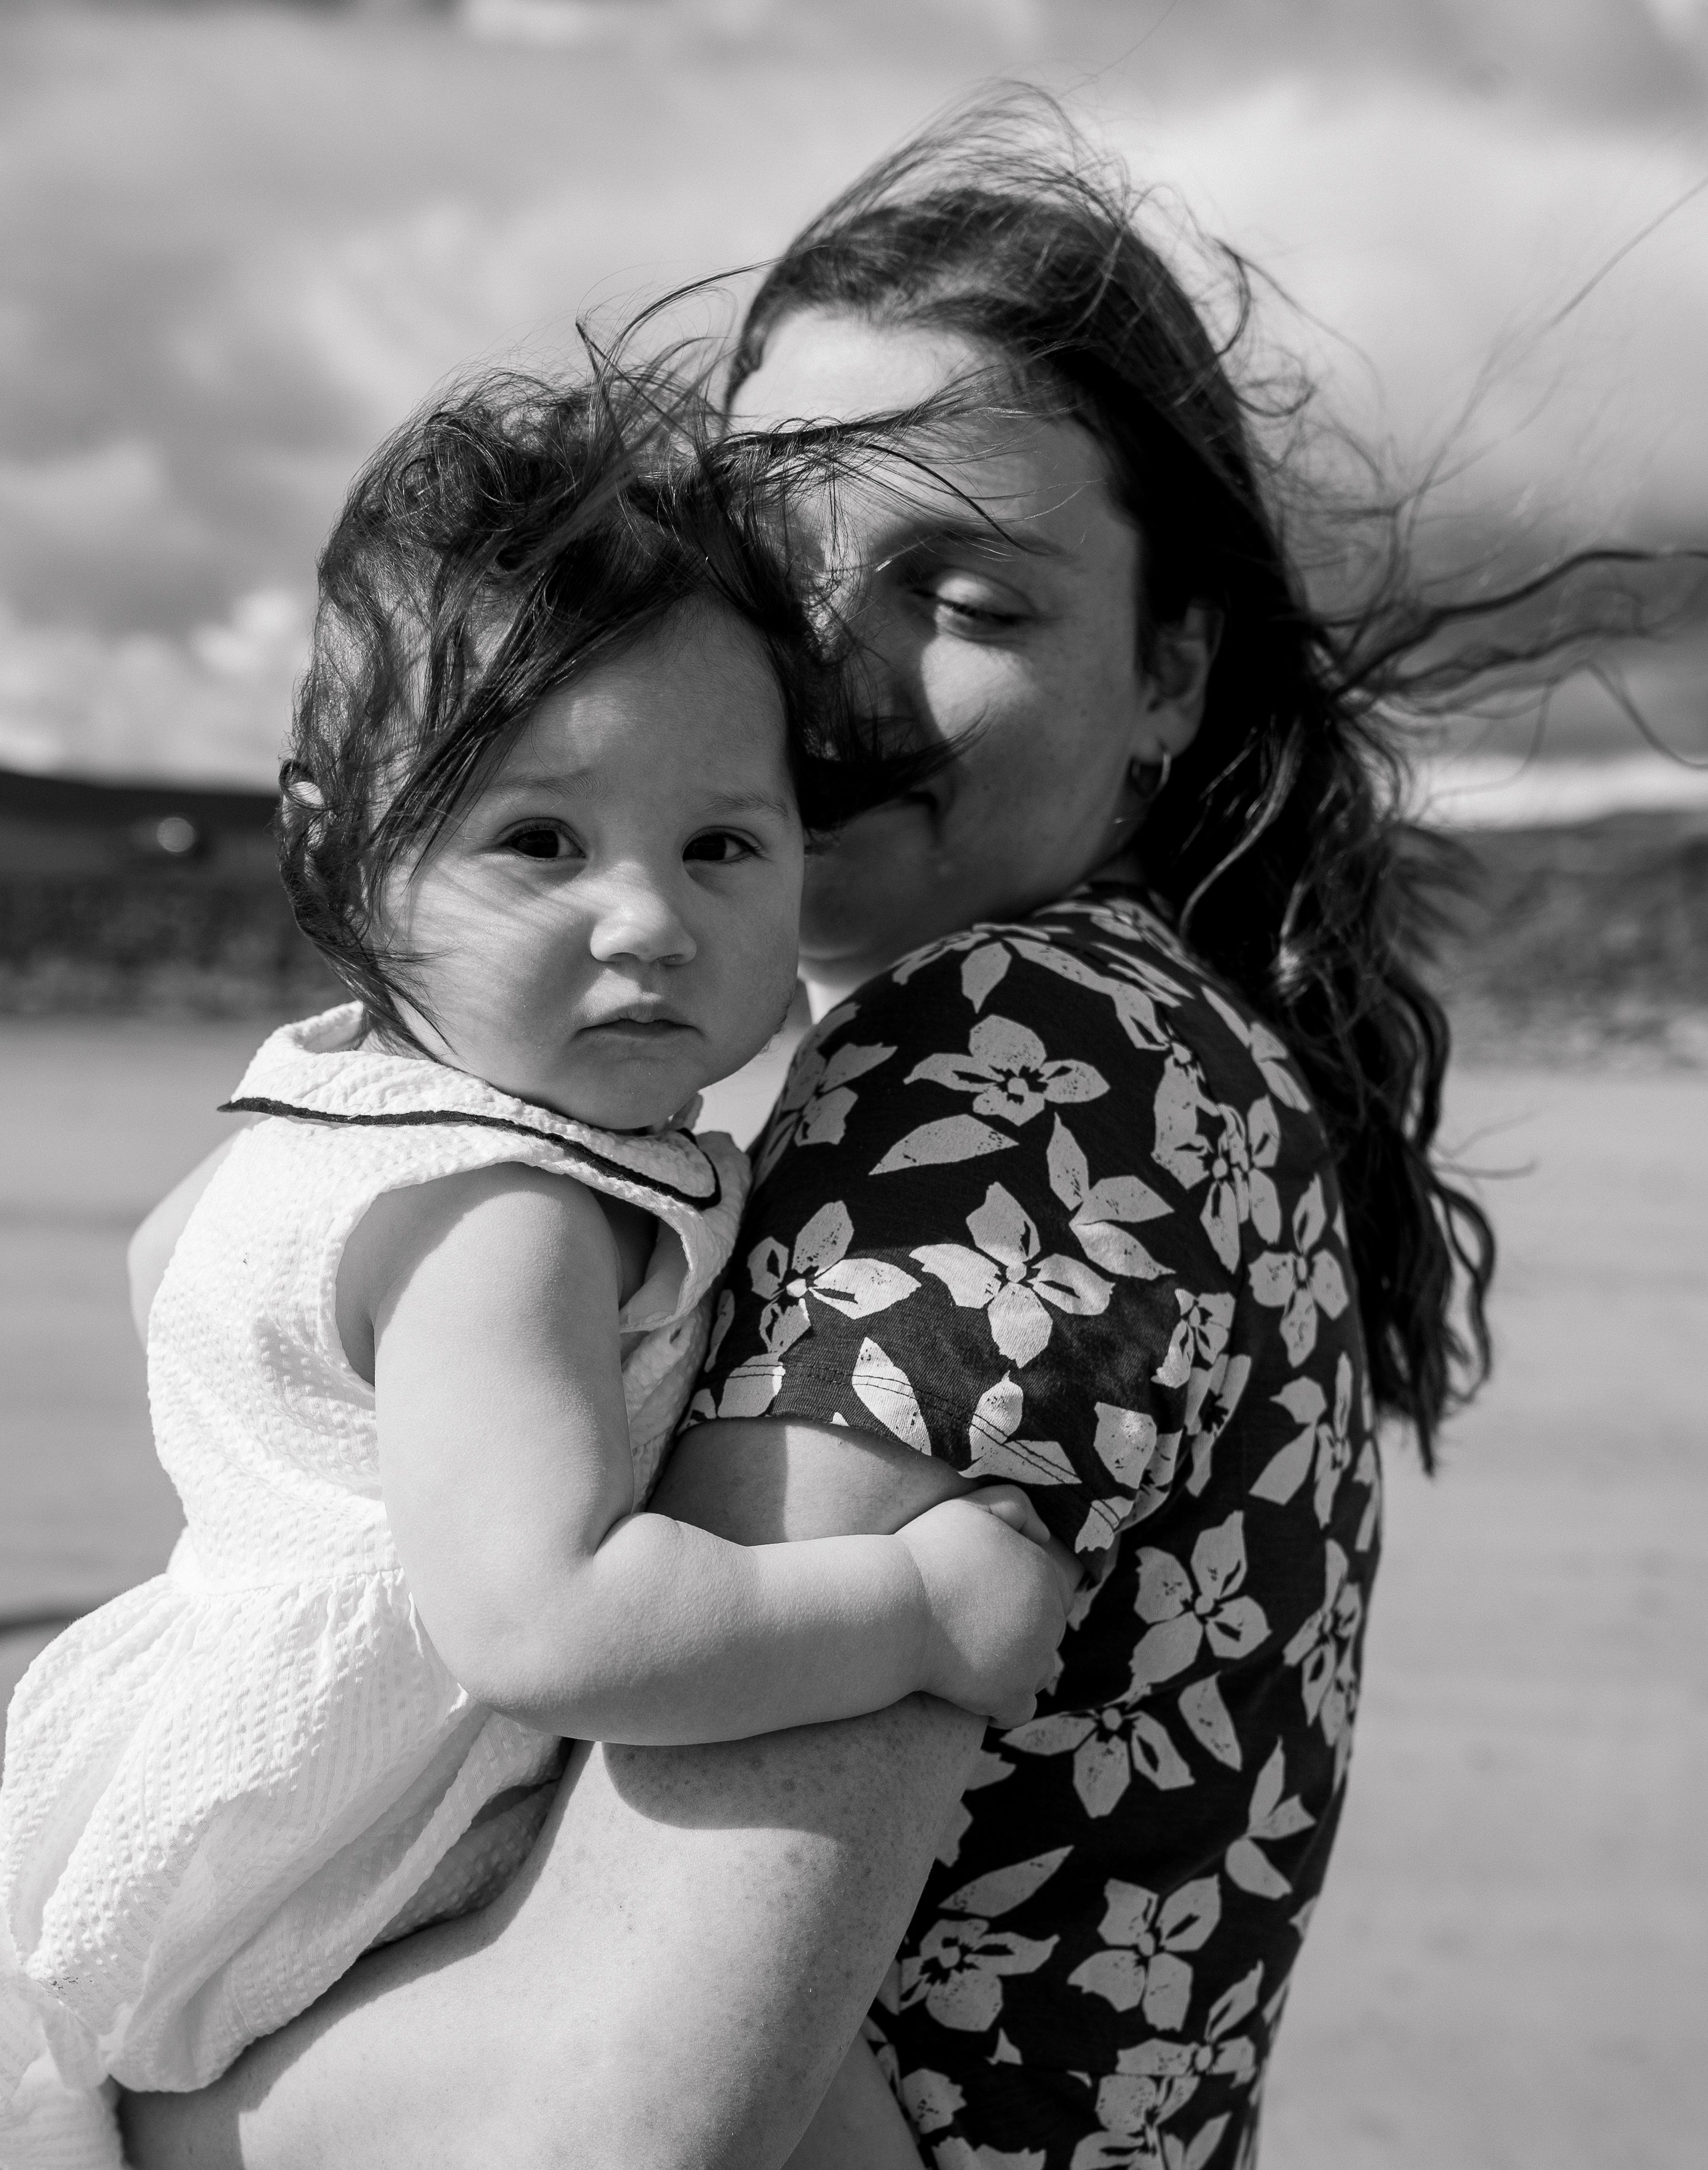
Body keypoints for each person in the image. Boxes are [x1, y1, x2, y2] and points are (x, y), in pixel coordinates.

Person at [115, 111, 1505, 2170]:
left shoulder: (1030, 1066)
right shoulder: (1161, 1053)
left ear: (1172, 676)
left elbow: (607, 2121)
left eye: (966, 593)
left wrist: (104, 2110)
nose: (833, 674)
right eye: (781, 570)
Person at [0, 369, 1072, 2169]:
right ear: (345, 839)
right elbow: (551, 1623)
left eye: (721, 844)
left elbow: (174, 1259)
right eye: (541, 844)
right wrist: (913, 1611)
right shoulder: (504, 1212)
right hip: (308, 1862)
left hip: (168, 1805)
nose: (649, 919)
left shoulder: (331, 1113)